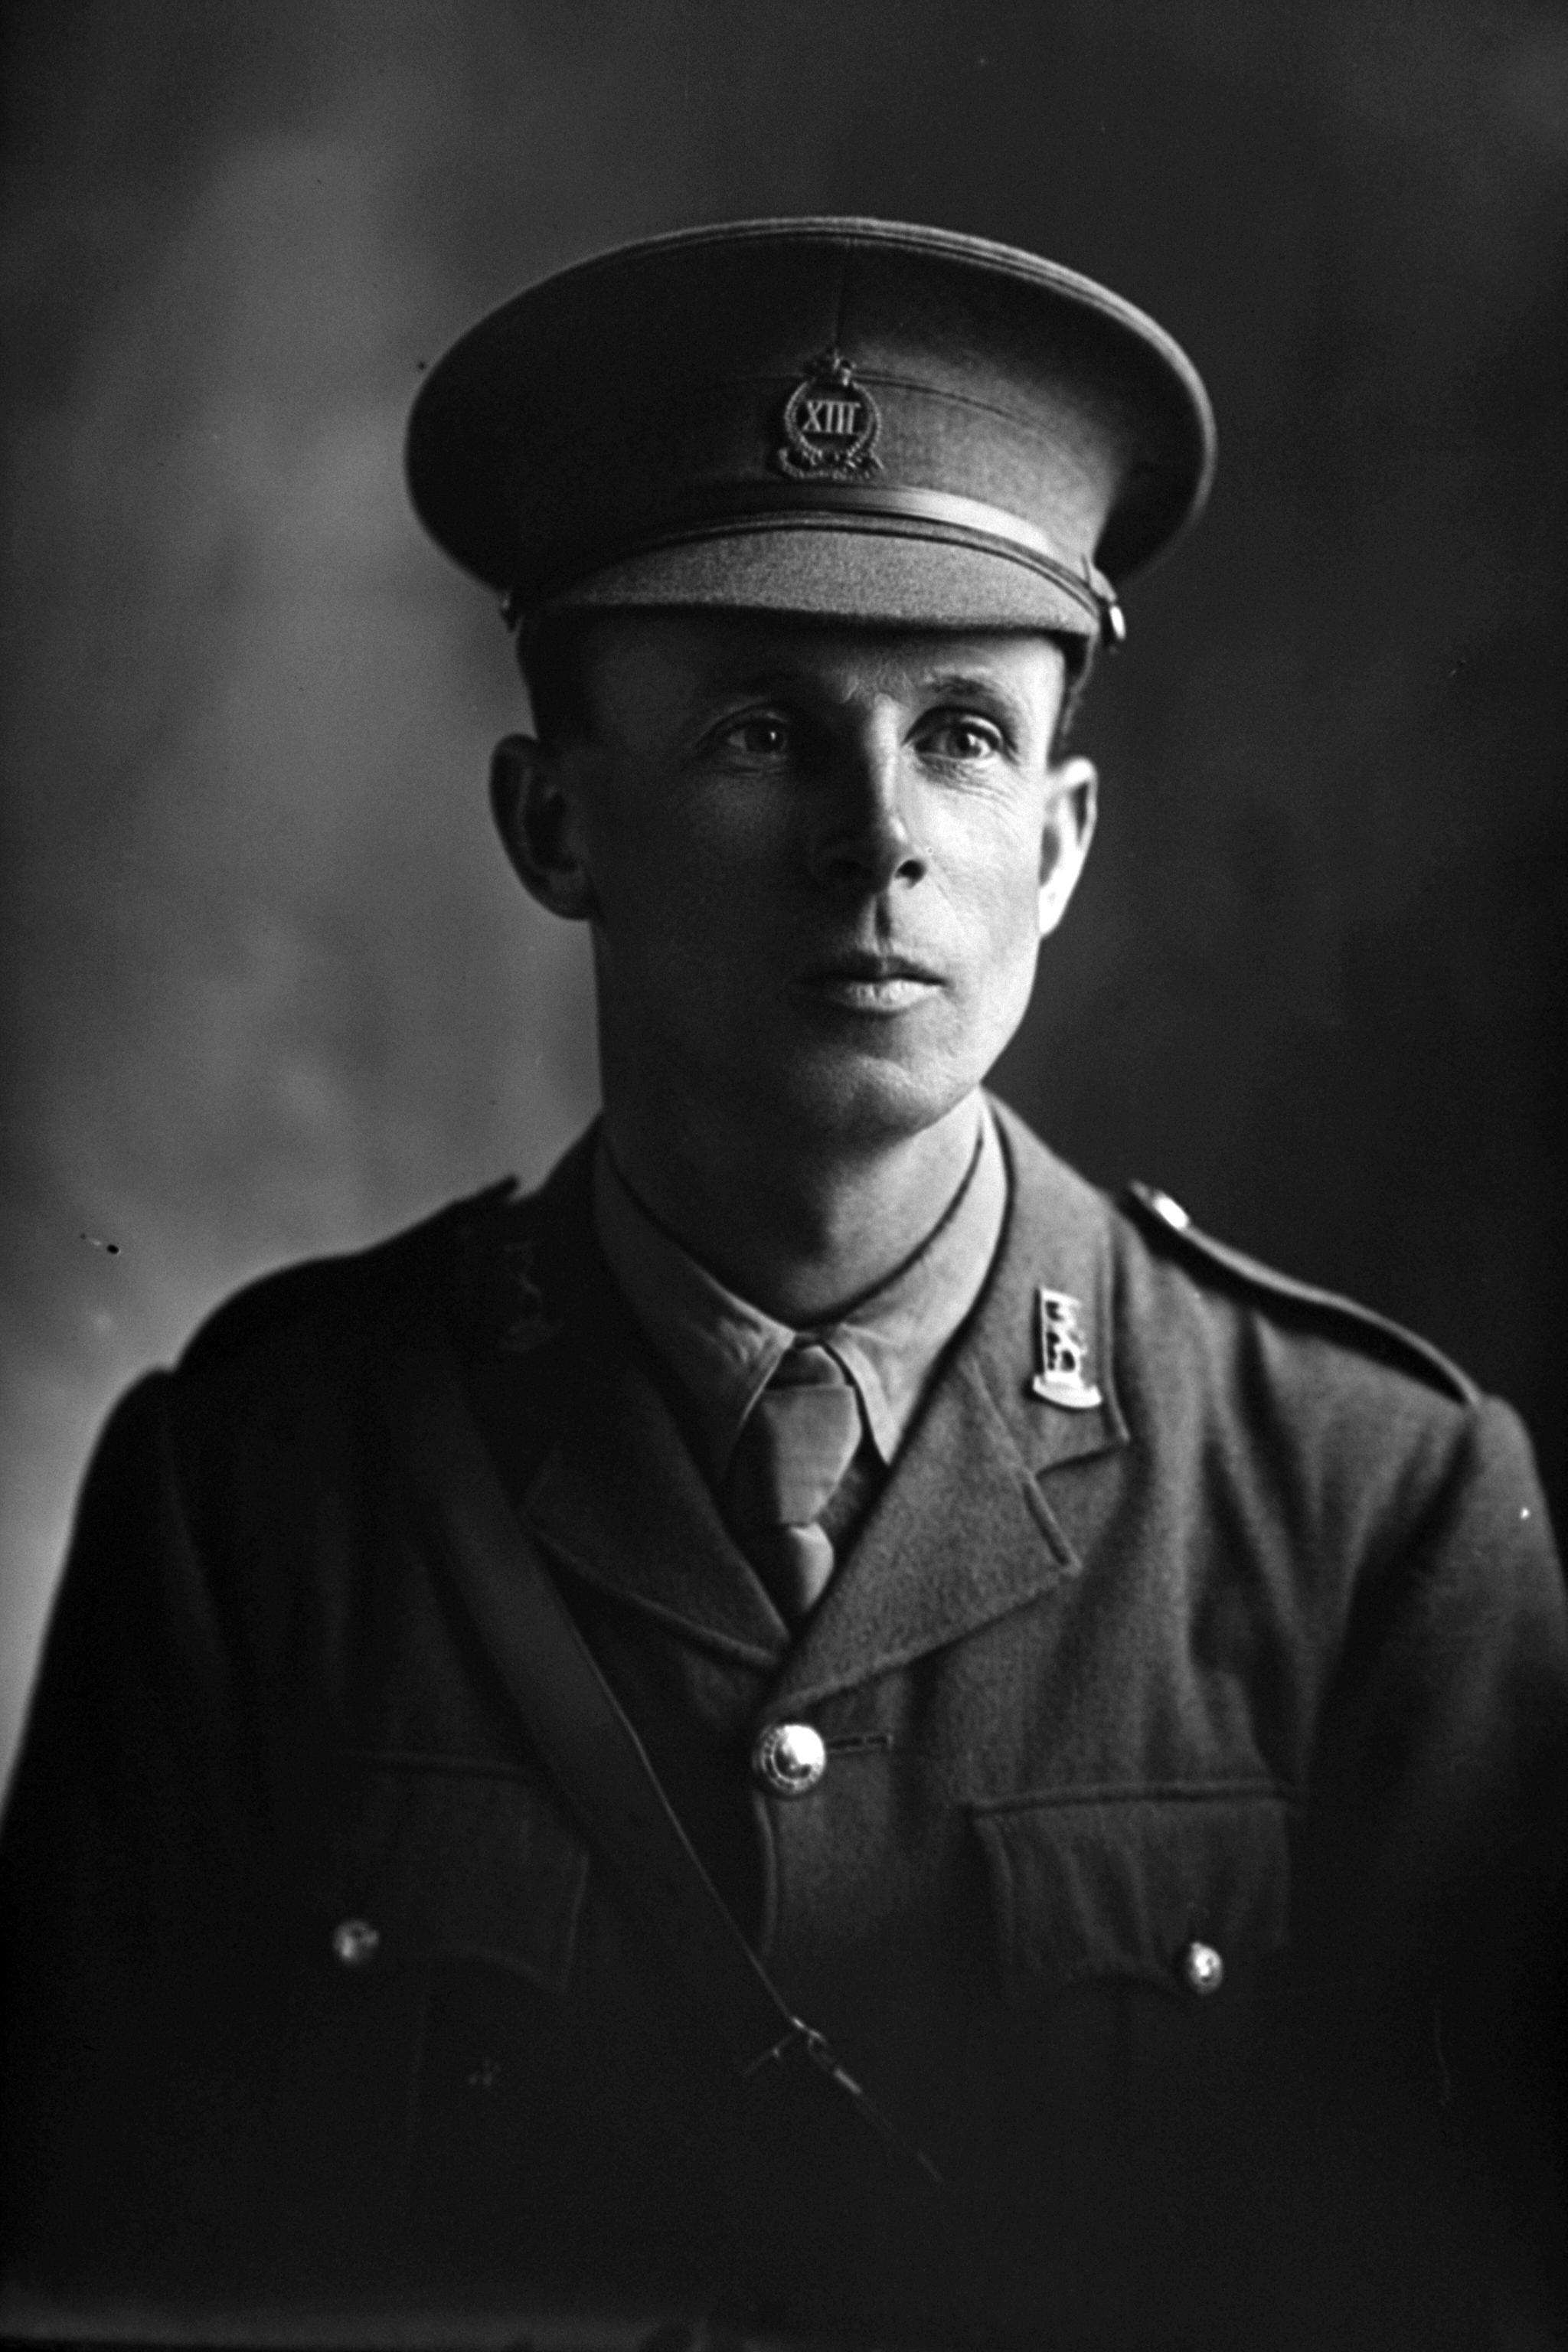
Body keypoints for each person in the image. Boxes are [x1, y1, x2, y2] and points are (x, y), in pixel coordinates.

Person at [2, 217, 1564, 2352]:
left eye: (960, 738)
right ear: (557, 826)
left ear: (1067, 841)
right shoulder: (255, 1494)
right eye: (755, 731)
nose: (878, 840)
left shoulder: (1376, 1509)